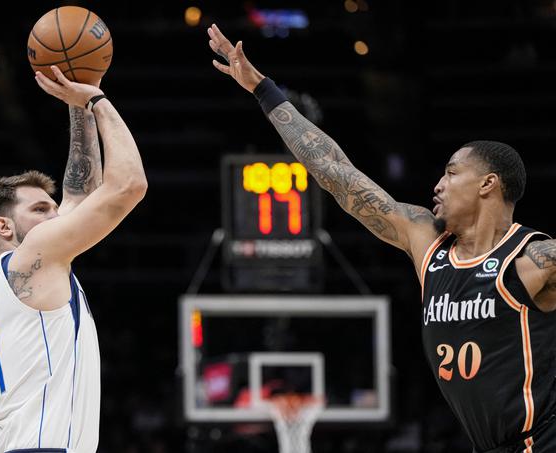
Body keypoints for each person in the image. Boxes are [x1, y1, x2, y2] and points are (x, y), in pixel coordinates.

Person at [207, 23, 556, 453]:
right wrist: (262, 88)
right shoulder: (427, 242)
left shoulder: (536, 258)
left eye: (450, 173)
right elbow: (337, 173)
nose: (438, 185)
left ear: (488, 184)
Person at [0, 65, 147, 453]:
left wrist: (77, 104)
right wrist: (97, 102)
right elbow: (130, 186)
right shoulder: (30, 259)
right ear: (4, 227)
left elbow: (80, 198)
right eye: (39, 210)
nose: (55, 217)